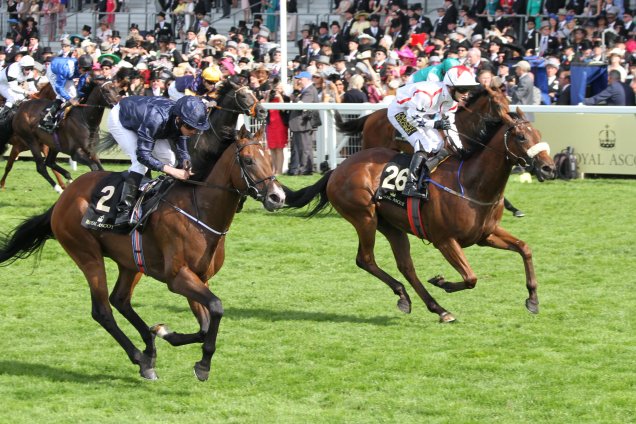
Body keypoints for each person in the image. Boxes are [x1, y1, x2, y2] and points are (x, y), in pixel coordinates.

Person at [107, 95, 210, 225]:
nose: (194, 131)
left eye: (197, 128)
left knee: (170, 160)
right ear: (178, 119)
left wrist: (185, 161)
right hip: (121, 119)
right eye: (190, 127)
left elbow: (182, 145)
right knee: (139, 165)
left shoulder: (182, 118)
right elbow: (143, 155)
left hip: (147, 122)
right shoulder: (156, 119)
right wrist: (173, 172)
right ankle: (124, 212)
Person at [388, 65, 480, 199]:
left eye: (469, 89)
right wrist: (435, 123)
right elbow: (411, 118)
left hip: (418, 115)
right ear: (451, 87)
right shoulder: (427, 95)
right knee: (423, 144)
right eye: (463, 89)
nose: (466, 93)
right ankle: (410, 185)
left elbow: (450, 126)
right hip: (400, 113)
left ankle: (425, 175)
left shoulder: (453, 100)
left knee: (438, 145)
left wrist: (460, 148)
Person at [39, 54, 93, 133]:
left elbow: (81, 82)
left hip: (67, 75)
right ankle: (47, 118)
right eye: (85, 70)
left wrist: (80, 95)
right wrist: (70, 100)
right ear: (79, 66)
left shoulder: (84, 69)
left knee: (74, 95)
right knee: (62, 97)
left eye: (89, 69)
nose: (87, 72)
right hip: (53, 72)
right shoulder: (66, 69)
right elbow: (59, 87)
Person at [287, 71, 320, 176]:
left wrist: (294, 98)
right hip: (301, 124)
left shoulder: (309, 90)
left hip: (303, 123)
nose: (299, 81)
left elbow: (302, 105)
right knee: (301, 147)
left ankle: (305, 169)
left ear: (307, 79)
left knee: (304, 148)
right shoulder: (307, 90)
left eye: (301, 79)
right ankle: (301, 168)